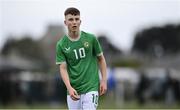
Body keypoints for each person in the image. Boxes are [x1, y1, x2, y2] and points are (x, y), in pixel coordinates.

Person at [56, 7, 107, 109]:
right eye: (71, 19)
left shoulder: (91, 39)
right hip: (74, 90)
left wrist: (104, 81)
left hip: (91, 87)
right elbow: (63, 68)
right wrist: (69, 88)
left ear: (80, 21)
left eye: (76, 19)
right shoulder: (61, 45)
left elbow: (101, 59)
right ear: (65, 22)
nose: (74, 22)